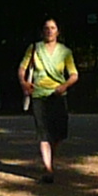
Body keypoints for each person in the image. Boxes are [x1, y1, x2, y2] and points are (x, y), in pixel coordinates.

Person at [19, 19, 80, 180]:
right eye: (46, 28)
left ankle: (50, 159)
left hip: (58, 95)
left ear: (58, 32)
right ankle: (48, 168)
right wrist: (24, 83)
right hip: (39, 94)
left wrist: (64, 86)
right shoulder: (34, 49)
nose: (49, 31)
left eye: (53, 28)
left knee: (59, 133)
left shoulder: (65, 52)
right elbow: (22, 68)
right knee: (43, 132)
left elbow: (74, 74)